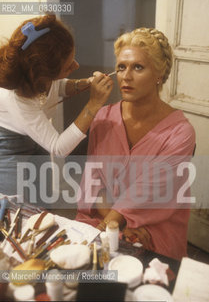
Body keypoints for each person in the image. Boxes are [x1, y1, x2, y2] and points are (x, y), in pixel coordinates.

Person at [76, 27, 196, 260]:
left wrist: (115, 223)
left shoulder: (180, 133)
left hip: (154, 225)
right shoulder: (102, 118)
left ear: (159, 75)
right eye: (121, 67)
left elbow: (149, 191)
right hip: (105, 216)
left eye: (138, 67)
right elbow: (94, 182)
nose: (125, 76)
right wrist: (114, 223)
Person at [0, 14, 113, 196]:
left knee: (42, 197)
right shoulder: (18, 99)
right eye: (68, 66)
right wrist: (94, 103)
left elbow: (58, 86)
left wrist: (86, 82)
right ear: (43, 74)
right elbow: (59, 148)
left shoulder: (40, 75)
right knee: (17, 206)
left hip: (35, 136)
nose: (76, 66)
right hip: (9, 146)